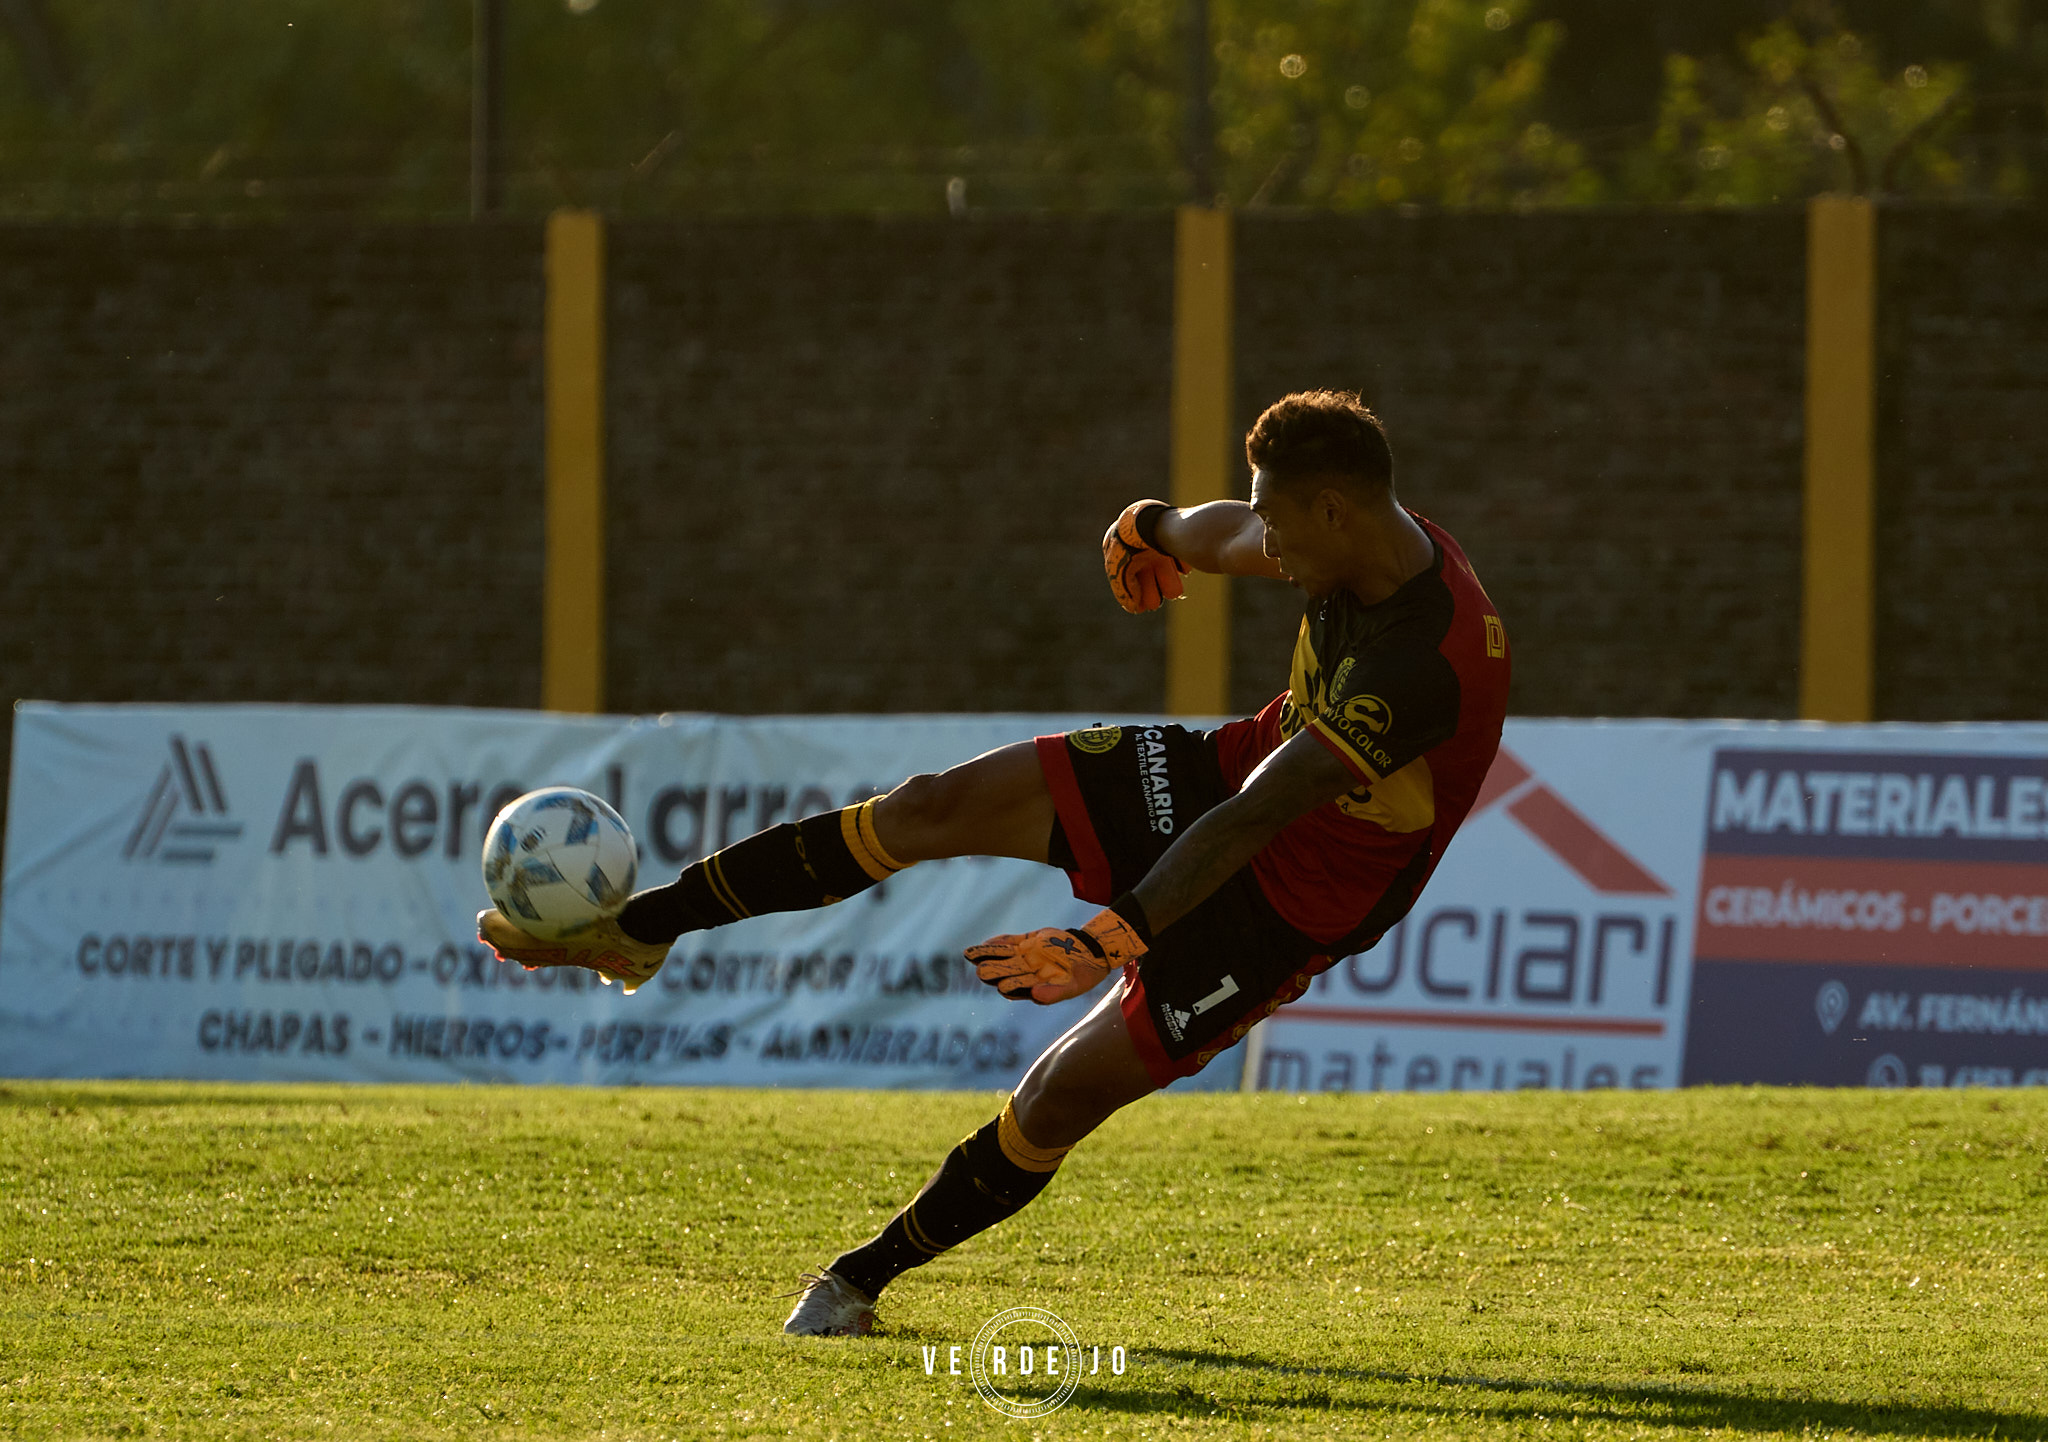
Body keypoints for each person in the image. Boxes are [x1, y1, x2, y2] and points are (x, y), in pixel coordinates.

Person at [478, 389, 1511, 1337]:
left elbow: (1258, 818)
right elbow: (1224, 534)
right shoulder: (1344, 536)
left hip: (1292, 901)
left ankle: (856, 1281)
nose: (1266, 545)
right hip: (1227, 773)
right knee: (930, 806)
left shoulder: (1425, 662)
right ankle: (641, 928)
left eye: (1278, 523)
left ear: (1332, 510)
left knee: (1060, 1095)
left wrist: (1103, 940)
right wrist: (1147, 525)